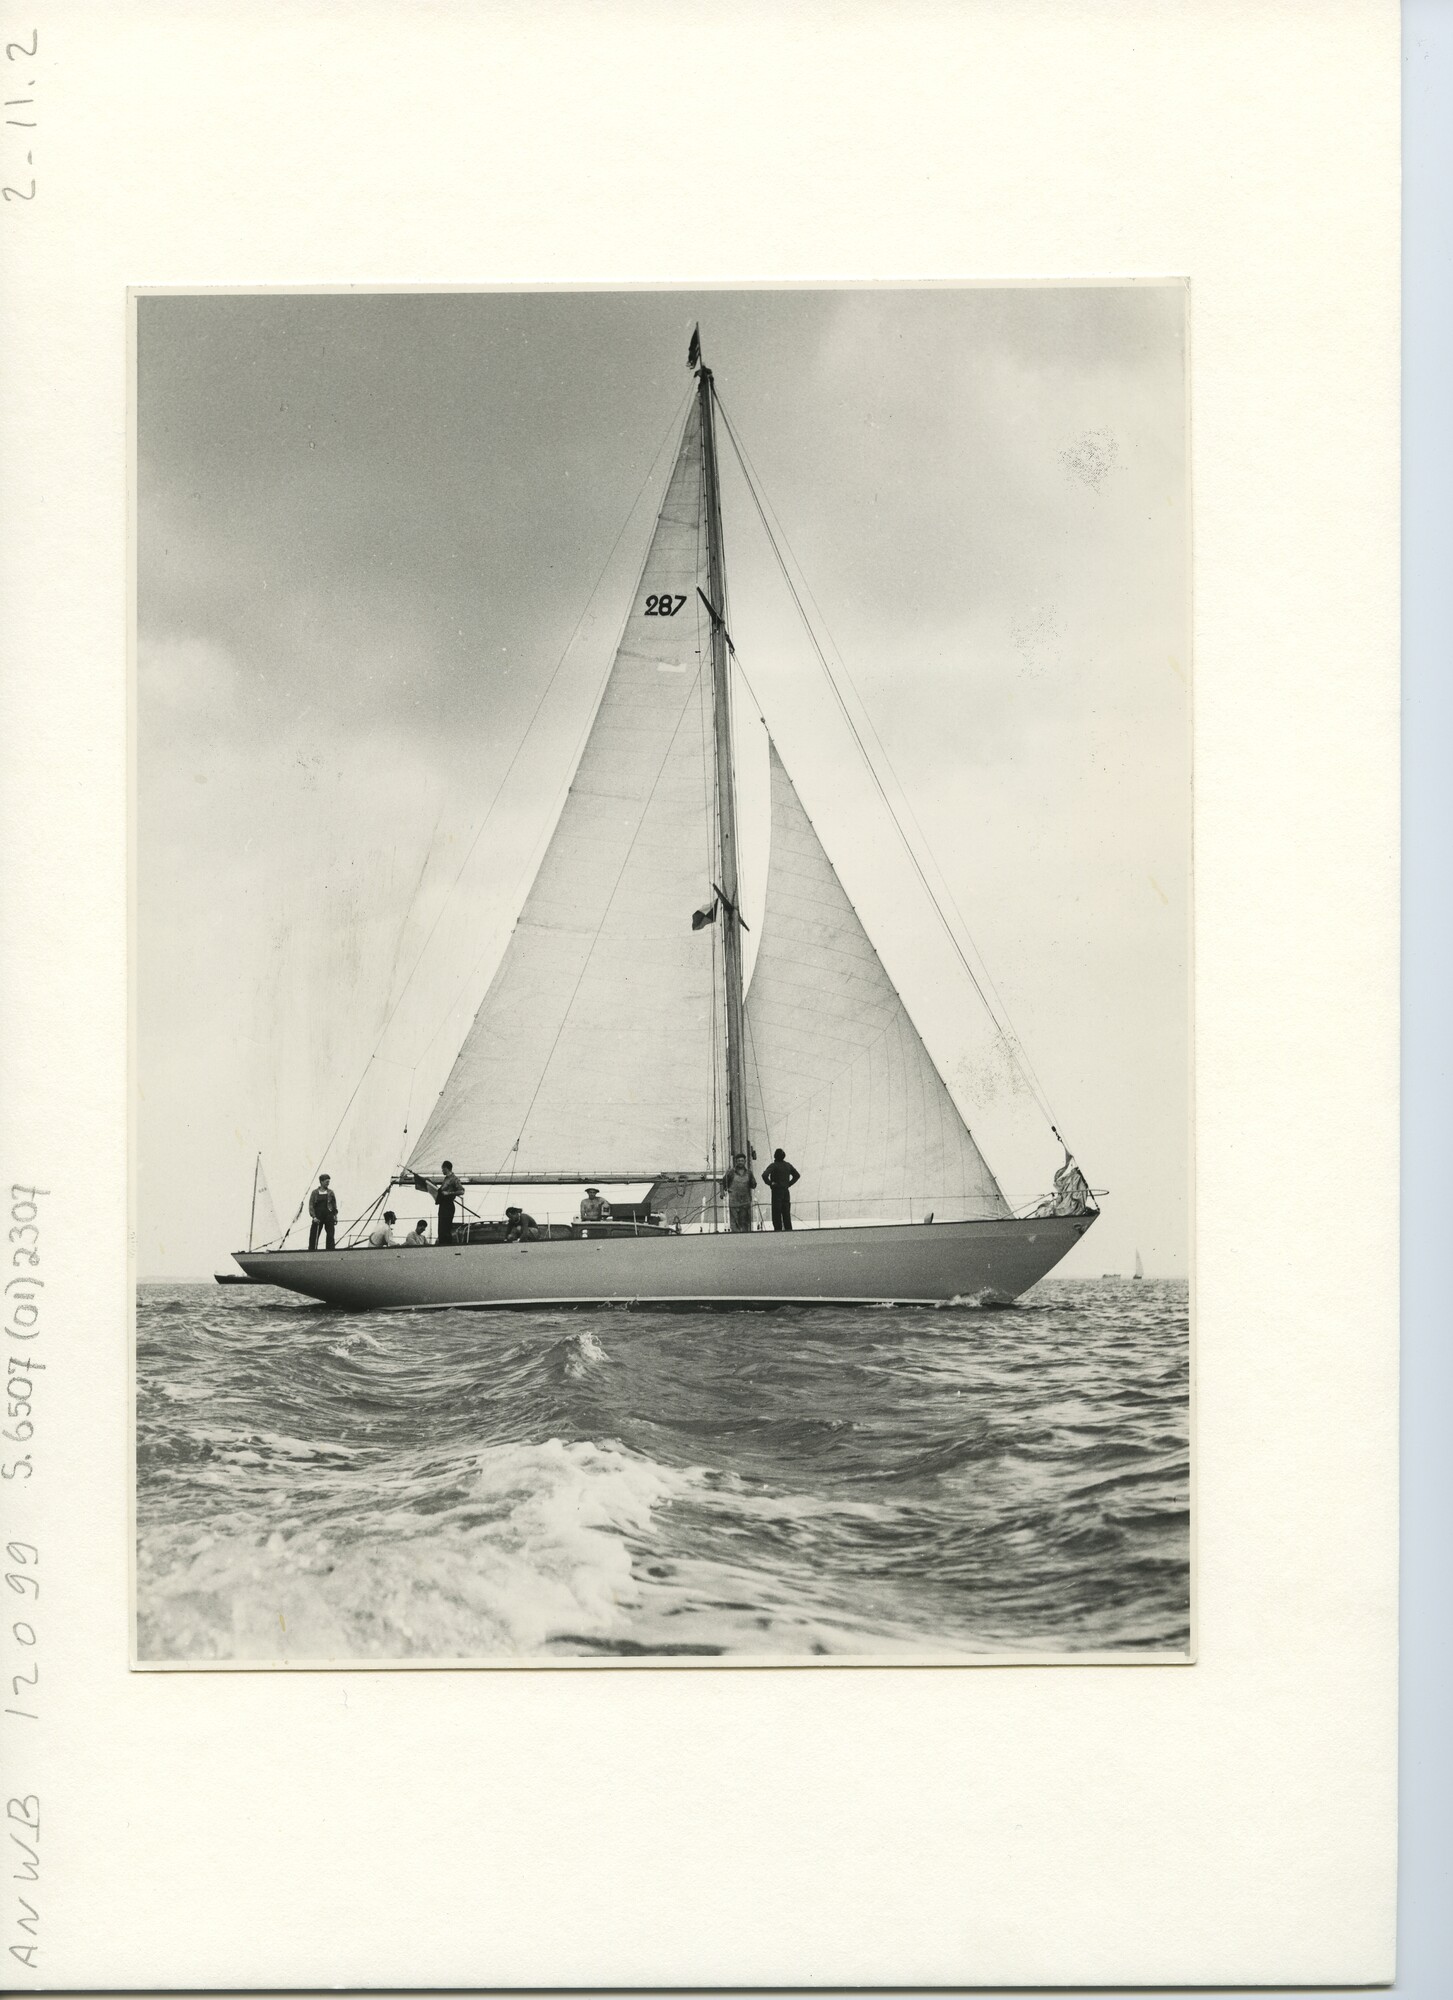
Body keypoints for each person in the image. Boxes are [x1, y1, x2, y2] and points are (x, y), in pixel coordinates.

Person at [413, 1160, 465, 1245]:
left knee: (445, 1227)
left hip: (448, 1205)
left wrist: (449, 1193)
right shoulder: (446, 1179)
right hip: (443, 1205)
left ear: (446, 1168)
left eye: (443, 1169)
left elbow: (462, 1191)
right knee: (441, 1228)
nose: (442, 1171)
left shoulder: (454, 1179)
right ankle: (443, 1243)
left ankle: (446, 1245)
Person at [761, 1149, 800, 1231]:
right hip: (786, 1191)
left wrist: (770, 1183)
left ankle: (778, 1231)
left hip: (776, 1192)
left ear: (775, 1156)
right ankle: (789, 1231)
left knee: (776, 1213)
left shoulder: (774, 1165)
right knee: (786, 1214)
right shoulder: (788, 1165)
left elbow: (764, 1175)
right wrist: (788, 1184)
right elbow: (797, 1175)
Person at [719, 1152, 756, 1233]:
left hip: (745, 1202)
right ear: (736, 1162)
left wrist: (753, 1182)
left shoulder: (749, 1173)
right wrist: (722, 1193)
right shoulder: (730, 1172)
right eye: (738, 1161)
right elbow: (722, 1182)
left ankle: (746, 1239)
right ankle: (735, 1239)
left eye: (742, 1161)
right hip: (734, 1202)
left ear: (745, 1161)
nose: (740, 1162)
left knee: (744, 1222)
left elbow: (753, 1185)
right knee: (734, 1223)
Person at [307, 1173, 338, 1251]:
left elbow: (334, 1206)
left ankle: (330, 1251)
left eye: (329, 1181)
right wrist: (314, 1217)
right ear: (321, 1181)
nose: (328, 1183)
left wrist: (335, 1216)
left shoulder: (331, 1192)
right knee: (314, 1235)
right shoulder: (314, 1193)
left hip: (329, 1216)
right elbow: (311, 1205)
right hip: (318, 1217)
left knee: (330, 1235)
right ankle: (312, 1251)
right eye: (326, 1181)